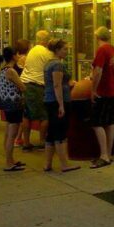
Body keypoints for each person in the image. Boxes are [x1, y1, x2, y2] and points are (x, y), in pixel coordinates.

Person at [43, 39, 79, 173]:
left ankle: (47, 163)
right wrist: (61, 105)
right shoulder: (57, 65)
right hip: (57, 101)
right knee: (60, 132)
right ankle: (64, 164)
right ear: (57, 50)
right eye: (64, 49)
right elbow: (56, 85)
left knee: (51, 133)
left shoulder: (48, 64)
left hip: (48, 99)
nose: (66, 51)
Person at [89, 27, 114, 168]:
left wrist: (93, 89)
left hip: (104, 90)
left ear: (97, 38)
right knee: (110, 122)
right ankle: (108, 153)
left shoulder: (101, 50)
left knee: (97, 122)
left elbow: (98, 70)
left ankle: (103, 155)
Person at [20, 31, 52, 150]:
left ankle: (26, 142)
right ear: (47, 40)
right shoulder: (47, 53)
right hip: (38, 86)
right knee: (44, 115)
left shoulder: (32, 51)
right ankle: (42, 141)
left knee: (27, 115)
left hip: (26, 84)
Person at [0, 47, 26, 171]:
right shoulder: (11, 71)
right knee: (12, 135)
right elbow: (22, 86)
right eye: (17, 54)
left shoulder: (2, 69)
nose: (19, 56)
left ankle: (11, 159)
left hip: (6, 103)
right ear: (13, 56)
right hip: (14, 104)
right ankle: (9, 163)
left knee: (9, 132)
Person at [13, 39, 31, 147]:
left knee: (22, 114)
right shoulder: (25, 58)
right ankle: (18, 138)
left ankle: (18, 138)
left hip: (16, 87)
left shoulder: (16, 57)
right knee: (24, 115)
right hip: (22, 86)